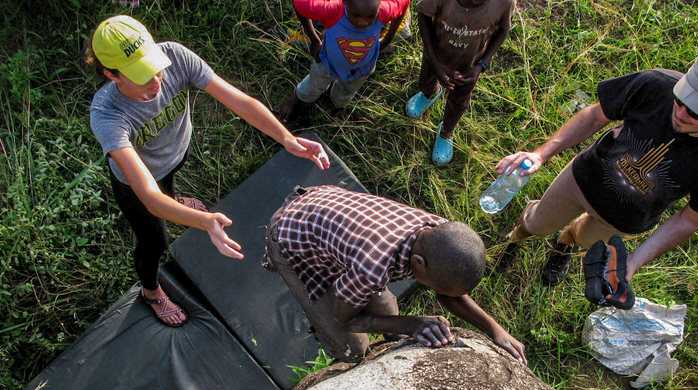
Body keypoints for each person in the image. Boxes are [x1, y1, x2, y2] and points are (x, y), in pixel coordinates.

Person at [87, 15, 330, 327]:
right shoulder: (107, 114)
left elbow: (239, 101)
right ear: (112, 75)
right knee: (154, 240)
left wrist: (286, 138)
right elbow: (148, 195)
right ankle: (151, 291)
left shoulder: (174, 56)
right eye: (141, 75)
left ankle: (175, 197)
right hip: (137, 182)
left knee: (169, 188)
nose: (156, 79)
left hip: (175, 154)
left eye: (154, 66)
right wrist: (205, 222)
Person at [496, 46, 698, 286]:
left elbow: (690, 219)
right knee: (537, 223)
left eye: (697, 112)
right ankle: (516, 238)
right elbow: (596, 115)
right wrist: (542, 154)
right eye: (680, 99)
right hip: (582, 180)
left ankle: (565, 243)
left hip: (622, 219)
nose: (681, 113)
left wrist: (635, 260)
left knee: (581, 237)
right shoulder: (656, 84)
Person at [263, 185, 527, 364]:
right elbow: (347, 320)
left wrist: (495, 330)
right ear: (418, 263)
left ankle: (350, 289)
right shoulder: (372, 267)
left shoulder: (438, 232)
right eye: (437, 285)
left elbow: (451, 296)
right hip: (292, 233)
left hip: (331, 216)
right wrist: (413, 324)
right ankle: (324, 332)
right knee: (353, 348)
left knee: (389, 315)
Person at [405, 0, 515, 165]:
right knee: (425, 81)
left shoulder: (503, 3)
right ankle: (430, 93)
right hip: (435, 55)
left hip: (469, 67)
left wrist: (481, 65)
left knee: (459, 101)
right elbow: (423, 15)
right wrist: (435, 63)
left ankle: (446, 132)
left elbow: (503, 29)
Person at [277, 0, 410, 125]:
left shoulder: (384, 10)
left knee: (346, 92)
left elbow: (404, 5)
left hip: (362, 69)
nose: (363, 23)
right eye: (356, 15)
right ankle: (299, 99)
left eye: (371, 16)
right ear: (345, 1)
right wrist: (314, 39)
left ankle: (338, 105)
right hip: (327, 63)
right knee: (314, 83)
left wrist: (387, 39)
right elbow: (299, 5)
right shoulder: (332, 10)